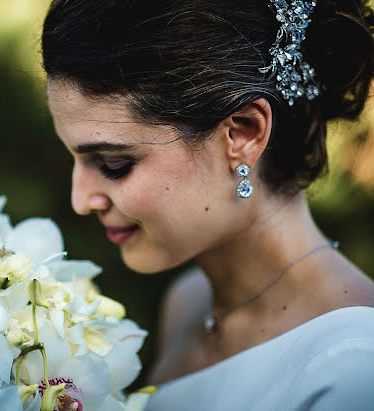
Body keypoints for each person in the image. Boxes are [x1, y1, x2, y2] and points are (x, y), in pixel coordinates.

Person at [42, 0, 374, 409]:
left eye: (114, 163)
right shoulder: (188, 302)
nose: (81, 201)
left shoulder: (353, 365)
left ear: (243, 134)